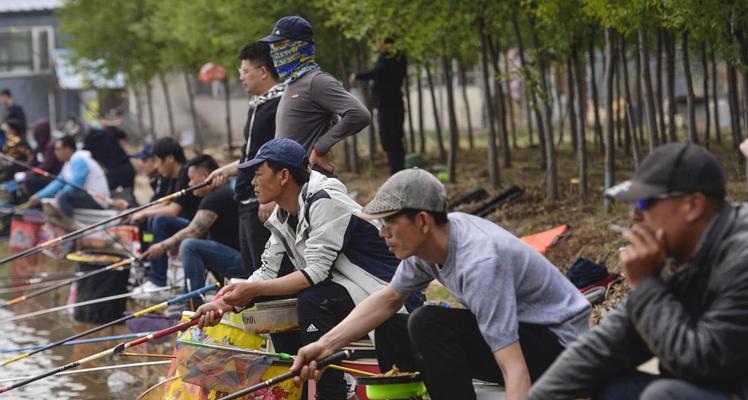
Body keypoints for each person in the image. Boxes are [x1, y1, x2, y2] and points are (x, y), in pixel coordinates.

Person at [291, 167, 591, 400]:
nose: (382, 233)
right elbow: (388, 299)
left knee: (428, 321)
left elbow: (514, 367)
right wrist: (322, 346)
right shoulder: (432, 243)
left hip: (561, 350)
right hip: (523, 336)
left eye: (389, 223)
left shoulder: (480, 262)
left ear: (422, 221)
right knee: (391, 325)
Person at [195, 138, 421, 400]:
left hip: (380, 288)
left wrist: (253, 290)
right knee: (272, 301)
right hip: (345, 286)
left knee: (313, 300)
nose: (252, 183)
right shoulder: (283, 213)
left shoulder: (325, 199)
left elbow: (315, 273)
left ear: (283, 176)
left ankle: (331, 392)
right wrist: (223, 303)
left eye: (258, 175)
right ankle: (297, 385)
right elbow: (267, 272)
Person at [529, 142, 748, 400]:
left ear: (693, 205)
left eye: (645, 202)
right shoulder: (679, 251)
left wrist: (646, 285)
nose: (635, 215)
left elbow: (704, 363)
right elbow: (605, 346)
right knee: (610, 387)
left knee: (664, 395)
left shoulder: (742, 256)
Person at [207, 41, 287, 274]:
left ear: (263, 71)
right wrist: (227, 170)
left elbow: (279, 154)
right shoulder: (258, 104)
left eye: (244, 71)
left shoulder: (279, 104)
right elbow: (251, 153)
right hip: (244, 197)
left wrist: (270, 199)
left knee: (267, 273)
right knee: (251, 270)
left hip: (260, 201)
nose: (241, 77)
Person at [259, 16, 371, 174]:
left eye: (280, 45)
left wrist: (320, 147)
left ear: (300, 46)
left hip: (311, 182)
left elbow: (359, 114)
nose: (274, 53)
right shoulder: (292, 83)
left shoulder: (316, 81)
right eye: (273, 47)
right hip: (291, 184)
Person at [142, 155, 244, 306]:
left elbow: (192, 231)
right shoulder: (218, 194)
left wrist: (162, 246)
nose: (189, 184)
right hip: (236, 257)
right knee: (190, 245)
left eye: (191, 179)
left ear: (205, 177)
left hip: (242, 263)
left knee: (190, 245)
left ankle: (192, 304)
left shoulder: (217, 196)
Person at [130, 137, 202, 295]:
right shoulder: (172, 178)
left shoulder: (185, 174)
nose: (155, 166)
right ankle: (150, 266)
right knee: (149, 221)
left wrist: (144, 212)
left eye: (156, 160)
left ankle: (158, 281)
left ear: (169, 159)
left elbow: (173, 210)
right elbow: (164, 203)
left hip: (197, 228)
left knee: (159, 220)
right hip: (185, 224)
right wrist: (139, 212)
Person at [350, 39, 407, 174]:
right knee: (392, 140)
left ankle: (397, 171)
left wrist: (357, 76)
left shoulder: (391, 59)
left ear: (387, 44)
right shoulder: (394, 58)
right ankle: (397, 170)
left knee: (391, 140)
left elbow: (377, 72)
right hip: (389, 105)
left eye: (379, 42)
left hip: (389, 106)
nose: (377, 46)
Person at [28, 136, 109, 221]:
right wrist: (38, 196)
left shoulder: (79, 159)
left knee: (63, 197)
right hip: (86, 197)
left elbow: (75, 185)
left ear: (67, 149)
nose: (55, 153)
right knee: (59, 197)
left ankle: (69, 226)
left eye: (58, 149)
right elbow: (58, 182)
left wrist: (58, 196)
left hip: (97, 200)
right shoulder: (68, 163)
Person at [83, 125, 136, 191]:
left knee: (107, 196)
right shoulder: (109, 131)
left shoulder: (88, 143)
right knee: (130, 194)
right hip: (127, 168)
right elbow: (123, 135)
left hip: (112, 172)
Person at [23, 119, 63, 196]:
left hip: (50, 177)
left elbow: (46, 167)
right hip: (40, 175)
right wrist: (22, 170)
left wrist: (28, 174)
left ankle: (36, 204)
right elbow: (32, 163)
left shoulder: (50, 146)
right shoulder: (39, 146)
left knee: (30, 181)